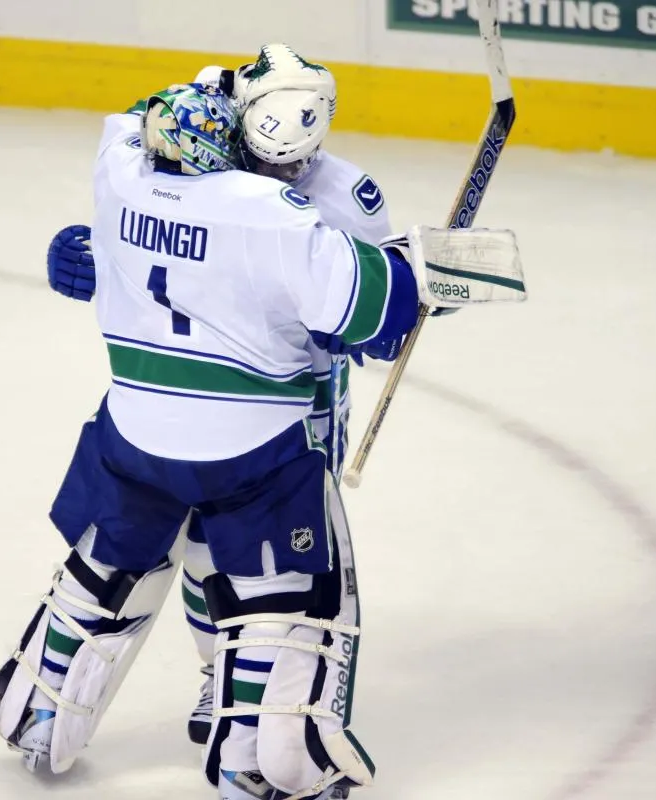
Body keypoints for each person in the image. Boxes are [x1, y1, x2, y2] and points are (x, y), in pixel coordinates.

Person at [44, 45, 398, 749]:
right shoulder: (213, 158)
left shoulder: (341, 196)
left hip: (299, 402)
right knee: (204, 539)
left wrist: (398, 298)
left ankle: (232, 683)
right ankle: (229, 677)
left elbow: (363, 320)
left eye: (292, 160)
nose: (277, 171)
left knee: (247, 556)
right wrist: (95, 263)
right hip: (215, 397)